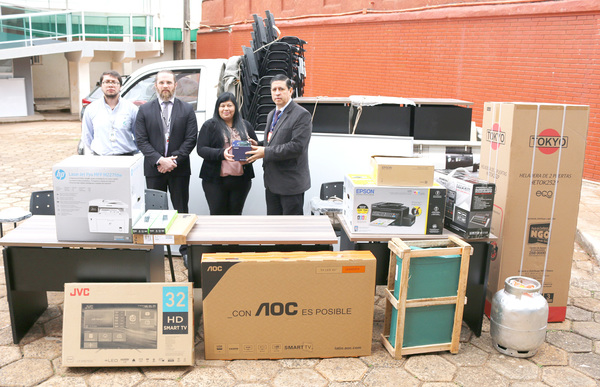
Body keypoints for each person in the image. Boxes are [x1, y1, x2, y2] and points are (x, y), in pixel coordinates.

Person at [135, 70, 198, 263]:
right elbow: (141, 140)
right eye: (161, 82)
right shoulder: (145, 110)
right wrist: (160, 160)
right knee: (155, 212)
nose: (165, 86)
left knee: (181, 209)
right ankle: (156, 251)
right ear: (155, 85)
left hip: (179, 170)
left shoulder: (186, 109)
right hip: (154, 169)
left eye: (168, 82)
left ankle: (185, 250)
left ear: (175, 85)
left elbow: (191, 139)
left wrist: (173, 161)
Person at [246, 74, 312, 215]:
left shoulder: (301, 115)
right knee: (273, 229)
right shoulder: (272, 114)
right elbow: (274, 141)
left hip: (290, 186)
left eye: (281, 89)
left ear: (290, 91)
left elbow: (296, 147)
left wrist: (265, 152)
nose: (277, 93)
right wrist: (258, 144)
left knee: (290, 231)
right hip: (271, 184)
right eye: (274, 89)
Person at [197, 92, 258, 215]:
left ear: (235, 107)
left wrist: (253, 150)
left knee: (236, 214)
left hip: (241, 181)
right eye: (222, 105)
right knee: (217, 214)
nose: (226, 109)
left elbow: (256, 150)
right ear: (217, 108)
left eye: (229, 105)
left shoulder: (246, 125)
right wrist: (222, 153)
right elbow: (201, 149)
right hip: (215, 181)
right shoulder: (210, 126)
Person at [82, 70, 139, 156]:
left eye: (114, 82)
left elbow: (138, 135)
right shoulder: (91, 109)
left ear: (120, 86)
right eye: (107, 82)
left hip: (126, 157)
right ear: (101, 85)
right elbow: (87, 137)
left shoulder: (132, 109)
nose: (110, 85)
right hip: (100, 157)